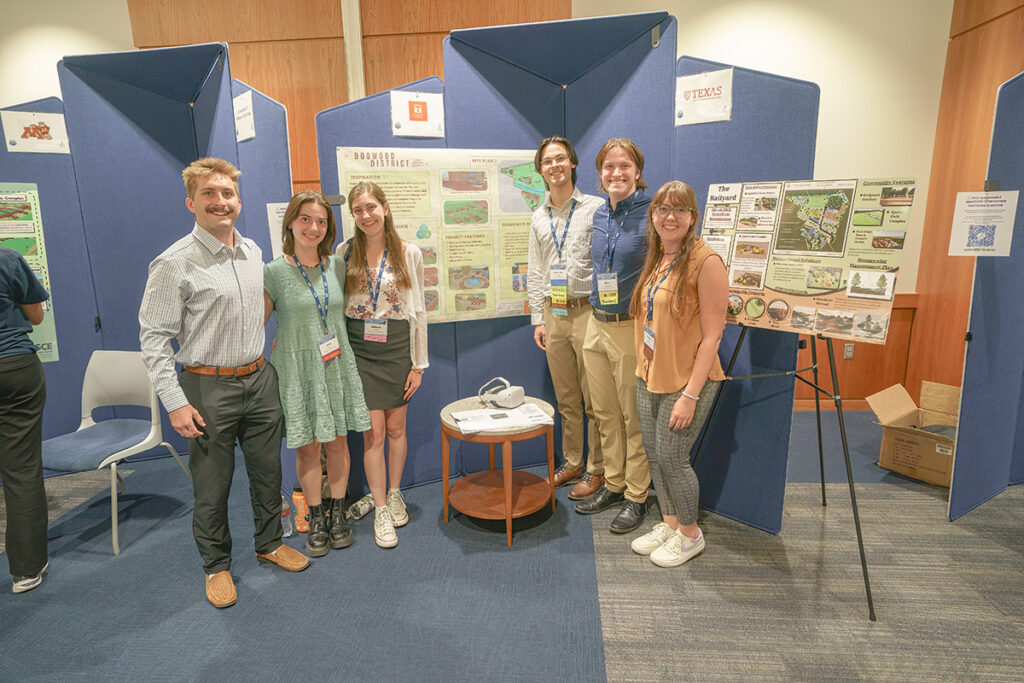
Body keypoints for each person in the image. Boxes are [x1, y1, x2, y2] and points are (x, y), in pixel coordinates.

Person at [140, 157, 309, 609]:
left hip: (258, 380)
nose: (220, 202)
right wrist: (174, 402)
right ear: (191, 202)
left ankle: (269, 543)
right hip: (205, 387)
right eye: (209, 194)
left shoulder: (253, 253)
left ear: (239, 199)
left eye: (228, 194)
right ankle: (216, 566)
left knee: (268, 472)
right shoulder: (174, 263)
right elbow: (154, 340)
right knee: (212, 485)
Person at [263, 190, 371, 558]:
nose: (313, 227)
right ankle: (317, 516)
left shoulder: (336, 266)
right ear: (291, 222)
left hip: (336, 365)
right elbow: (257, 325)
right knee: (308, 448)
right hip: (298, 370)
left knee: (339, 442)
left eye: (321, 221)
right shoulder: (274, 272)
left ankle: (338, 514)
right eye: (305, 219)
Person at [627, 181, 727, 567]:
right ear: (653, 216)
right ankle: (669, 524)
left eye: (679, 210)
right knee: (654, 453)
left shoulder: (707, 262)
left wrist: (690, 395)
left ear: (692, 217)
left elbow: (713, 336)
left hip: (687, 380)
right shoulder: (658, 256)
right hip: (652, 373)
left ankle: (690, 534)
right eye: (663, 209)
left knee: (673, 456)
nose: (670, 217)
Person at [340, 181, 427, 549]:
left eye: (371, 207)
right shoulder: (344, 253)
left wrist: (418, 365)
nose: (366, 215)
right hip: (361, 350)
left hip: (397, 349)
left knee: (396, 428)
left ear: (385, 208)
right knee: (372, 434)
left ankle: (394, 492)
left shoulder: (409, 253)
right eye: (358, 210)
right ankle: (379, 509)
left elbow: (419, 310)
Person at [575, 138, 652, 534]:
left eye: (624, 166)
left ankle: (637, 496)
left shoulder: (652, 213)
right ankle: (614, 482)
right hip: (595, 322)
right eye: (608, 167)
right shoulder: (599, 213)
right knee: (603, 413)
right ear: (600, 172)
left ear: (637, 172)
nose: (616, 174)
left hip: (628, 327)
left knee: (631, 416)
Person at [527, 136, 605, 500]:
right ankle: (573, 460)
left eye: (560, 158)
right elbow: (535, 269)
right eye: (547, 161)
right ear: (541, 170)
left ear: (572, 163)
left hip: (589, 311)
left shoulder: (596, 208)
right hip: (553, 313)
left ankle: (597, 468)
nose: (554, 165)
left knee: (595, 398)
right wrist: (537, 319)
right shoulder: (538, 216)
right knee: (566, 397)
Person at [0, 247, 49, 594]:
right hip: (14, 367)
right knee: (21, 470)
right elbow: (36, 316)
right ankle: (26, 570)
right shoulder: (8, 259)